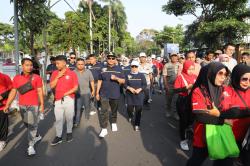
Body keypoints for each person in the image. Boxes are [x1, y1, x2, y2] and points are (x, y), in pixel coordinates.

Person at [186, 62, 233, 166]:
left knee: (224, 161)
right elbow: (200, 116)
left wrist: (218, 114)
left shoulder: (226, 90)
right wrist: (223, 119)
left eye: (225, 74)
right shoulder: (199, 91)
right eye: (220, 73)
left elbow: (232, 111)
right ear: (211, 73)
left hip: (222, 133)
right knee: (196, 161)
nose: (223, 77)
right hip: (202, 135)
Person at [4, 58, 44, 156]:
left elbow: (39, 91)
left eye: (31, 65)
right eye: (27, 65)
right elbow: (14, 91)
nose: (29, 67)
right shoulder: (17, 78)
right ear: (22, 66)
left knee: (31, 125)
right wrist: (8, 104)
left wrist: (42, 104)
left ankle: (31, 146)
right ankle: (37, 135)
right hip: (22, 105)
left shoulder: (36, 77)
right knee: (27, 123)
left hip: (33, 105)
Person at [218, 64, 250, 166]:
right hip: (229, 137)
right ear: (236, 77)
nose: (247, 83)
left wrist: (240, 112)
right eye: (244, 79)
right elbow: (228, 112)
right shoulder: (226, 91)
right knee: (224, 163)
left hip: (246, 137)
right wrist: (244, 112)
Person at [50, 55, 78, 146]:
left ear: (64, 63)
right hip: (58, 99)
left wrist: (65, 94)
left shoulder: (72, 73)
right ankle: (59, 136)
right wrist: (58, 77)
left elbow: (75, 88)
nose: (56, 65)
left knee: (69, 117)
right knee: (58, 119)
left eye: (58, 63)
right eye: (56, 63)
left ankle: (69, 132)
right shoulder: (54, 73)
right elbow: (51, 86)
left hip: (69, 99)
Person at [96, 53, 125, 138]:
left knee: (114, 110)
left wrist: (116, 78)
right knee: (104, 111)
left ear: (115, 59)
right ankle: (104, 128)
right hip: (104, 94)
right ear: (107, 59)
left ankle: (113, 122)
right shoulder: (102, 69)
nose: (111, 60)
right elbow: (99, 81)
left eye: (113, 58)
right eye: (109, 58)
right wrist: (97, 92)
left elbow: (123, 81)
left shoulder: (119, 69)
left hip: (115, 93)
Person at [174, 60, 197, 151]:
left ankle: (188, 128)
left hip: (193, 101)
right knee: (183, 121)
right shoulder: (180, 77)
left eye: (193, 69)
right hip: (183, 101)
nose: (191, 71)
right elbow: (175, 90)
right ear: (185, 68)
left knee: (191, 119)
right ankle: (183, 140)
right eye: (189, 69)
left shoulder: (195, 77)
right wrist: (186, 88)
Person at [124, 60, 147, 131]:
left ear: (138, 67)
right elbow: (124, 84)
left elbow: (144, 85)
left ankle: (137, 124)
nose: (134, 68)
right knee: (129, 108)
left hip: (139, 96)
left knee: (138, 111)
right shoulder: (127, 75)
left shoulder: (141, 75)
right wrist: (129, 88)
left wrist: (140, 89)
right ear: (130, 67)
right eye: (132, 66)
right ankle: (130, 115)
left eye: (135, 66)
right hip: (130, 95)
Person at [74, 58, 94, 127]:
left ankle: (87, 116)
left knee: (87, 106)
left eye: (82, 64)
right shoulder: (73, 72)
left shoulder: (88, 71)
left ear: (84, 64)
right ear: (76, 64)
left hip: (87, 93)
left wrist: (93, 90)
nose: (80, 65)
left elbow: (91, 81)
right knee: (78, 108)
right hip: (77, 94)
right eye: (78, 64)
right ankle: (77, 122)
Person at [162, 53, 180, 119]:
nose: (174, 58)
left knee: (176, 100)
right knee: (169, 100)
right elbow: (164, 76)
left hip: (178, 86)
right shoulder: (167, 65)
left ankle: (175, 113)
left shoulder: (180, 65)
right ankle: (168, 111)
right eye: (173, 56)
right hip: (169, 85)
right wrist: (166, 85)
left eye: (175, 56)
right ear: (170, 57)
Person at [0, 72, 12, 152]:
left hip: (2, 105)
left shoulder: (4, 77)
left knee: (2, 123)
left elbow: (11, 90)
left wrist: (2, 96)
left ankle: (2, 140)